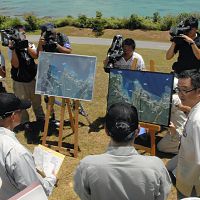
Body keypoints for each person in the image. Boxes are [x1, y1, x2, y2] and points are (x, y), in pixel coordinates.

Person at [74, 102, 171, 200]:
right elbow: (162, 195)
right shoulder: (156, 166)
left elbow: (84, 195)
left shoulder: (87, 166)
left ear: (106, 130)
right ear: (137, 131)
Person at [0, 93, 56, 200]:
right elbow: (34, 193)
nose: (22, 114)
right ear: (13, 116)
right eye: (20, 111)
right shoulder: (17, 153)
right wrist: (51, 178)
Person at [167, 70, 200, 197]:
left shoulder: (197, 120)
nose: (180, 94)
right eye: (178, 89)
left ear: (198, 91)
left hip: (191, 184)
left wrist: (184, 180)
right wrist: (176, 132)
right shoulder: (194, 110)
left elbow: (198, 160)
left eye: (185, 90)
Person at [8, 25, 45, 129]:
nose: (24, 35)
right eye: (22, 33)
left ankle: (41, 118)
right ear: (16, 34)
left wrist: (26, 46)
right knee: (22, 102)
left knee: (37, 101)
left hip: (32, 79)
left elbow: (35, 55)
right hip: (20, 81)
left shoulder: (29, 44)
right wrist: (14, 49)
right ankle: (24, 122)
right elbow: (15, 65)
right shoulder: (11, 48)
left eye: (25, 33)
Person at [37, 22, 72, 122]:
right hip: (48, 69)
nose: (50, 35)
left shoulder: (62, 37)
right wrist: (40, 43)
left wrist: (56, 46)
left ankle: (71, 111)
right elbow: (39, 55)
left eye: (52, 32)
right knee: (48, 95)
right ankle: (51, 116)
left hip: (62, 68)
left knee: (65, 91)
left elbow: (69, 51)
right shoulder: (43, 39)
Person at [157, 77, 191, 154]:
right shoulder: (179, 96)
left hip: (179, 130)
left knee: (160, 147)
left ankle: (184, 150)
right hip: (182, 128)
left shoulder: (173, 98)